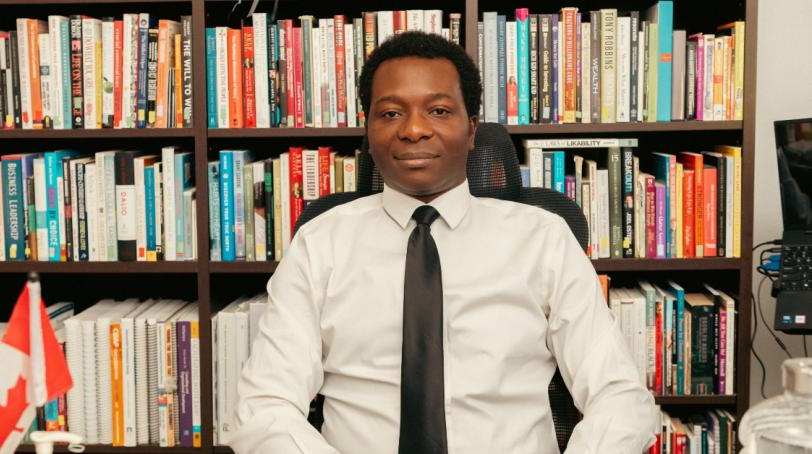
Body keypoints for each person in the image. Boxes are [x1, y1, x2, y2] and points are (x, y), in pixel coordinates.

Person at [230, 30, 657, 453]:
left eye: (437, 110)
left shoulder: (543, 239)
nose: (414, 130)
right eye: (391, 113)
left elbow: (618, 397)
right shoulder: (320, 243)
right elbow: (265, 407)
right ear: (369, 129)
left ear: (471, 130)